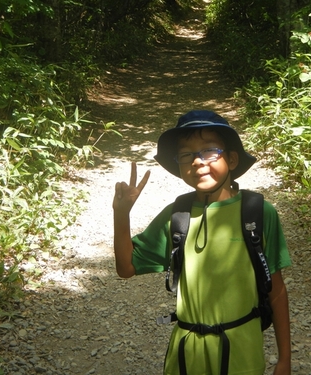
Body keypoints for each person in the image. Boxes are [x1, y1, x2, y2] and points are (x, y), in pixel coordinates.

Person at [112, 110, 292, 375]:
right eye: (186, 154)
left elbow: (275, 291)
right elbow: (126, 268)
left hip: (241, 351)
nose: (197, 161)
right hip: (187, 354)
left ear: (231, 159)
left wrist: (284, 359)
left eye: (209, 151)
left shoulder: (258, 213)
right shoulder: (177, 214)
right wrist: (121, 214)